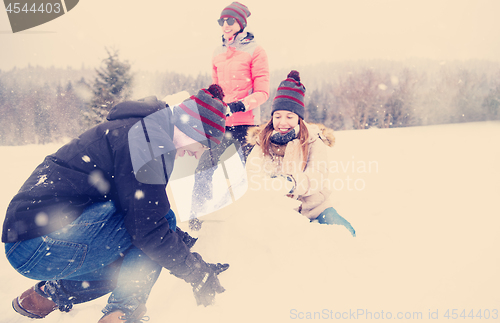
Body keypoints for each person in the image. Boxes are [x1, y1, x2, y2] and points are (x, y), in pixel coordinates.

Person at [2, 84, 230, 322]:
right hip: (39, 243)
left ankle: (45, 297)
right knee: (150, 241)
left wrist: (180, 247)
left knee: (132, 263)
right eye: (204, 146)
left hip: (27, 242)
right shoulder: (151, 141)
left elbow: (140, 210)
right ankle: (122, 313)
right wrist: (196, 272)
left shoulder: (144, 130)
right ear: (193, 130)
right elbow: (148, 229)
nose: (198, 155)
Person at [245, 71, 356, 237]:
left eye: (289, 116)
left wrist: (292, 183)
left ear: (299, 118)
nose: (283, 122)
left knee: (346, 233)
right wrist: (269, 185)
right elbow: (252, 172)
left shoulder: (313, 140)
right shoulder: (263, 142)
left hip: (315, 207)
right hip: (279, 208)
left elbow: (318, 175)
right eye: (277, 116)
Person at [189, 1, 270, 229]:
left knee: (239, 175)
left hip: (246, 125)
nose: (225, 25)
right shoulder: (217, 52)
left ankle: (236, 222)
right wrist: (209, 105)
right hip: (221, 124)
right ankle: (198, 216)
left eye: (230, 20)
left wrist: (238, 106)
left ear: (241, 23)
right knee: (204, 168)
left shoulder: (256, 51)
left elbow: (263, 92)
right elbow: (216, 89)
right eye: (221, 21)